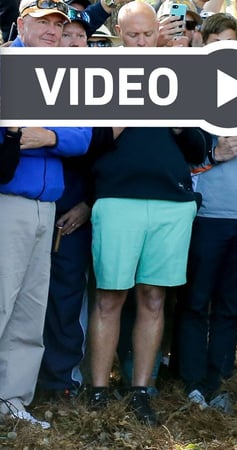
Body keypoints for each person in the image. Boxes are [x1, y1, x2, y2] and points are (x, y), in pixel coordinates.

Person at [86, 0, 208, 426]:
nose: (140, 41)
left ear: (159, 31)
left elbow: (199, 151)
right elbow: (91, 145)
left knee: (155, 298)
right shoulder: (103, 75)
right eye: (132, 34)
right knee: (109, 297)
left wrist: (177, 119)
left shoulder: (181, 76)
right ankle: (98, 390)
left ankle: (142, 389)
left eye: (147, 34)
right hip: (117, 199)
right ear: (120, 33)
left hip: (172, 202)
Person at [0, 0, 91, 429]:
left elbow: (81, 138)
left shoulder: (65, 75)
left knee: (29, 312)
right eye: (44, 22)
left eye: (60, 24)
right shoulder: (6, 63)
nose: (53, 31)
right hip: (7, 203)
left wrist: (45, 134)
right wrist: (34, 133)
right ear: (21, 24)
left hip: (45, 207)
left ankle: (12, 401)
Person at [172, 12, 237, 413]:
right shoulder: (189, 93)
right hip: (205, 217)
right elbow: (176, 163)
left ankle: (217, 379)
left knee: (229, 304)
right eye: (218, 43)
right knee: (195, 301)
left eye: (233, 43)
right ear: (205, 46)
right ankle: (191, 380)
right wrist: (214, 156)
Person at [35, 2, 95, 402]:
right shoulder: (22, 70)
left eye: (79, 35)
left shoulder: (96, 83)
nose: (71, 39)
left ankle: (59, 382)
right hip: (27, 201)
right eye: (65, 32)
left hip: (75, 206)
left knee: (65, 297)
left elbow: (104, 151)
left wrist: (89, 202)